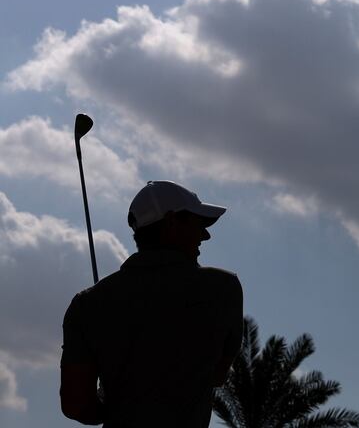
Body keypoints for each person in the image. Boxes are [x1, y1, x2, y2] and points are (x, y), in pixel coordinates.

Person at [60, 180, 243, 427]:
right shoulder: (223, 289)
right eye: (198, 223)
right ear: (171, 222)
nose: (205, 234)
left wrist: (112, 401)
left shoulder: (87, 304)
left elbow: (77, 406)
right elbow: (218, 375)